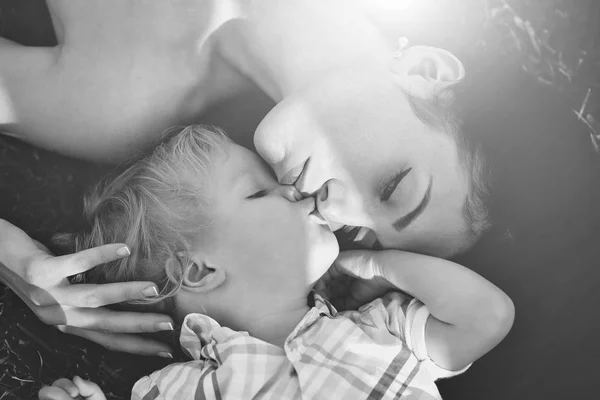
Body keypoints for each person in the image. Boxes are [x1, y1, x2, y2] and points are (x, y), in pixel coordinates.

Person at [1, 1, 598, 398]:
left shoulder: (115, 106)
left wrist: (17, 260)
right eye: (393, 186)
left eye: (361, 234)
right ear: (425, 70)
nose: (334, 213)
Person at [37, 125, 513, 400]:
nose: (294, 189)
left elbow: (487, 317)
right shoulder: (183, 387)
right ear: (199, 271)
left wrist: (379, 265)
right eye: (258, 191)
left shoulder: (377, 326)